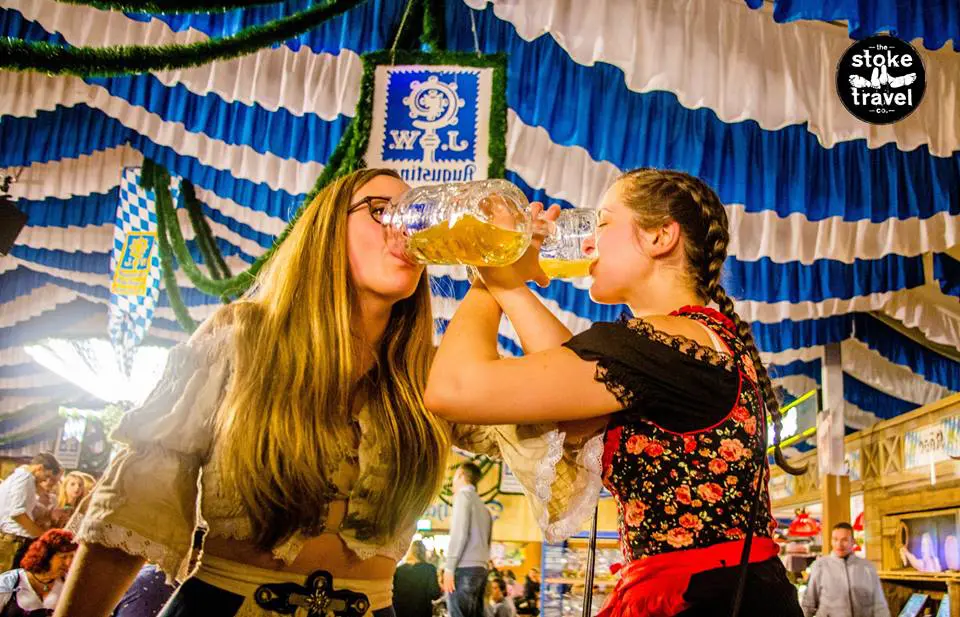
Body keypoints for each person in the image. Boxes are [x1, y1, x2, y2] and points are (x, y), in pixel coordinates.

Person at [55, 168, 513, 617]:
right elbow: (136, 505)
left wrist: (506, 279)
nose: (404, 229)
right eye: (380, 210)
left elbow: (561, 427)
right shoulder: (243, 335)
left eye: (416, 216)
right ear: (327, 231)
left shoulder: (430, 374)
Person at [425, 169, 805, 616]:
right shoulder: (689, 341)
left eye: (602, 224)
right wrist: (507, 278)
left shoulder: (658, 347)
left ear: (661, 236)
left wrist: (491, 262)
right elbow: (564, 375)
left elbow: (452, 389)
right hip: (734, 591)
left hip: (698, 599)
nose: (587, 243)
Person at [802, 522, 889, 617]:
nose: (839, 544)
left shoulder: (867, 567)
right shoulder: (820, 566)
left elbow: (880, 605)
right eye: (835, 539)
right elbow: (808, 604)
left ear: (853, 541)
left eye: (844, 540)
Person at [443, 463, 493, 617]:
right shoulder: (485, 508)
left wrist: (449, 567)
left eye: (454, 476)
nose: (453, 481)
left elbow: (460, 533)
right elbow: (488, 542)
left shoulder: (463, 497)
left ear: (460, 475)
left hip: (464, 569)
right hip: (481, 570)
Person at [0, 454, 62, 571]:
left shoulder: (24, 477)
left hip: (14, 540)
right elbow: (17, 514)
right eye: (46, 475)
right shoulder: (24, 478)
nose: (46, 480)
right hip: (13, 541)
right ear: (39, 468)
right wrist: (42, 535)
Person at [0, 529, 77, 616]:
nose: (68, 563)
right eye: (63, 557)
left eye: (72, 557)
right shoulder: (9, 581)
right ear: (46, 555)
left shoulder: (68, 584)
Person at [393, 540, 441, 617]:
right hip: (422, 612)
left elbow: (392, 593)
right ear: (424, 553)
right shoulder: (430, 569)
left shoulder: (398, 570)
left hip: (400, 612)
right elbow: (434, 593)